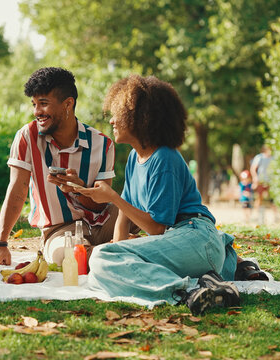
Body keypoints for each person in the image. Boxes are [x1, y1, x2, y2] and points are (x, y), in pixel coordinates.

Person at [74, 75, 239, 315]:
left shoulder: (164, 158)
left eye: (117, 113)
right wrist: (117, 252)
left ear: (139, 117)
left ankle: (189, 291)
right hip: (180, 243)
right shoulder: (134, 158)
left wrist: (113, 198)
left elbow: (156, 228)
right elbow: (124, 217)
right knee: (100, 262)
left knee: (101, 259)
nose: (111, 120)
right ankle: (206, 286)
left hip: (196, 238)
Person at [0, 67, 119, 266]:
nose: (37, 112)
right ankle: (120, 250)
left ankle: (117, 247)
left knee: (141, 211)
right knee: (72, 258)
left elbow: (103, 204)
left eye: (43, 104)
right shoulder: (28, 137)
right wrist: (1, 242)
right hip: (59, 230)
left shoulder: (102, 144)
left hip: (106, 221)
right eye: (34, 104)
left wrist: (78, 190)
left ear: (68, 104)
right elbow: (17, 191)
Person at [250, 145, 274, 223]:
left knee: (272, 199)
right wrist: (255, 178)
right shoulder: (259, 157)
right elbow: (253, 168)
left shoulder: (273, 158)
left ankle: (275, 216)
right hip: (261, 180)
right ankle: (257, 216)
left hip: (270, 180)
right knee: (259, 198)